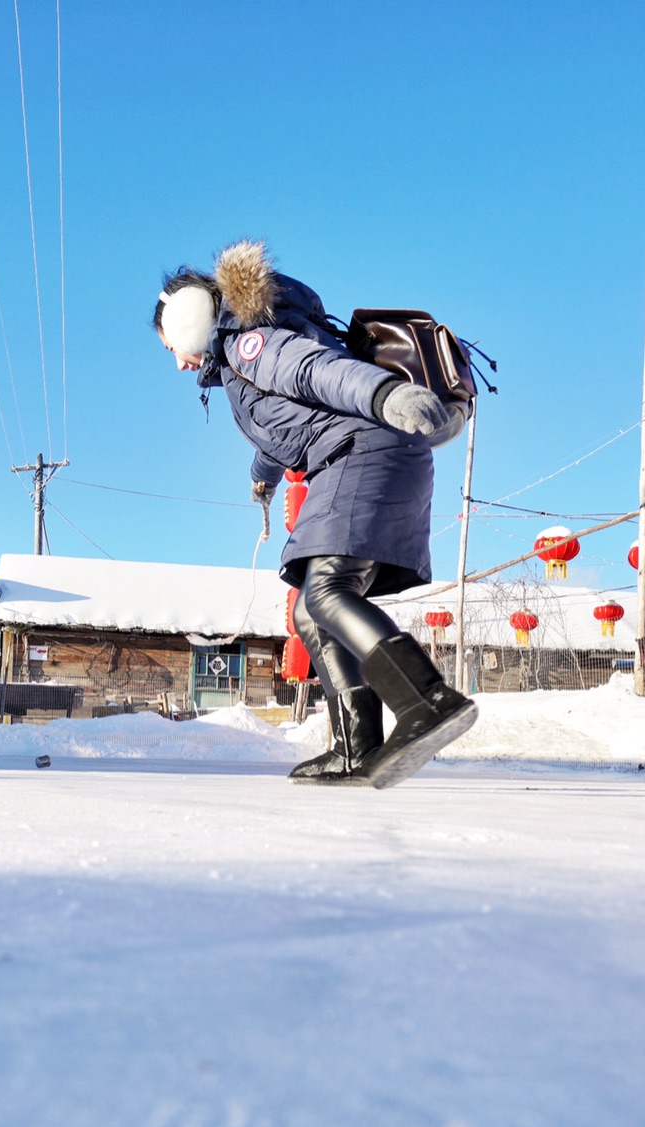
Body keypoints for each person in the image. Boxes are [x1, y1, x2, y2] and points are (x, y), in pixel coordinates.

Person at [154, 241, 476, 788]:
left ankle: (427, 700)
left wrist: (385, 395)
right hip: (355, 453)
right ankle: (355, 747)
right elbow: (287, 428)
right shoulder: (238, 364)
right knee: (310, 611)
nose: (180, 364)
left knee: (327, 591)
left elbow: (317, 372)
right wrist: (263, 475)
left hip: (366, 444)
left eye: (173, 348)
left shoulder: (249, 345)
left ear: (189, 324)